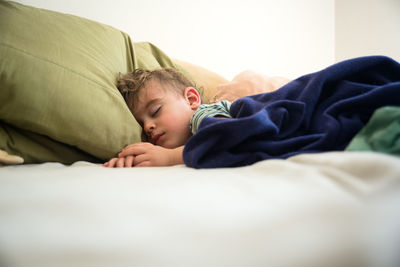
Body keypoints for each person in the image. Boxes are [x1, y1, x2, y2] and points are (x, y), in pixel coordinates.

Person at [103, 68, 232, 168]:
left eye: (155, 111)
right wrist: (134, 159)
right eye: (141, 124)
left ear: (191, 100)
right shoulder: (185, 141)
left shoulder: (204, 114)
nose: (147, 127)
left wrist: (169, 157)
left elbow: (228, 138)